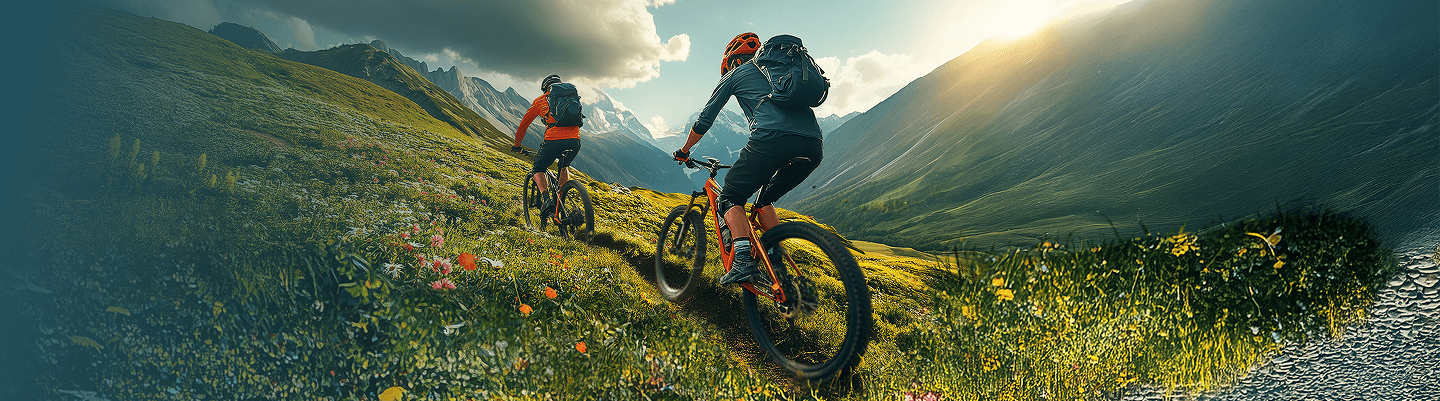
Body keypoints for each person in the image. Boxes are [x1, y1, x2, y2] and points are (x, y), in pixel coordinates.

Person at [672, 32, 824, 285]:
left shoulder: (735, 74)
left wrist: (685, 150)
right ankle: (776, 263)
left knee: (730, 197)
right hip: (813, 145)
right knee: (764, 202)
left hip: (772, 140)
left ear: (732, 62)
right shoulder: (781, 73)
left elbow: (704, 120)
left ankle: (742, 262)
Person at [513, 74, 582, 215]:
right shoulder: (570, 97)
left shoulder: (540, 101)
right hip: (575, 140)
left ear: (545, 88)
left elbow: (524, 124)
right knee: (563, 166)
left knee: (538, 168)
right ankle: (562, 200)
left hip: (552, 140)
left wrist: (517, 145)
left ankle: (547, 200)